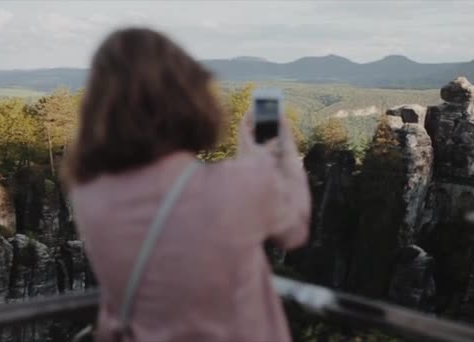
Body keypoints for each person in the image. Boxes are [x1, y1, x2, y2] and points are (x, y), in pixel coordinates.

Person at [64, 28, 310, 341]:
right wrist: (284, 151)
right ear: (187, 97)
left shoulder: (90, 194)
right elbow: (294, 230)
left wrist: (251, 166)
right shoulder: (233, 185)